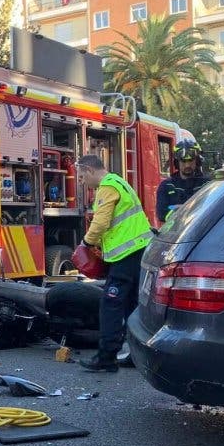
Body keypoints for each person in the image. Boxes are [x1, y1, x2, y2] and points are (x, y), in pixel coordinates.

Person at [77, 155, 154, 373]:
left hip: (126, 255)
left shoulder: (107, 187)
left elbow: (101, 222)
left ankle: (106, 358)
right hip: (139, 251)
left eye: (82, 177)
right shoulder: (120, 181)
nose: (83, 182)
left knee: (110, 305)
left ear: (89, 170)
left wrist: (85, 243)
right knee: (132, 305)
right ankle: (136, 355)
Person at [155, 138, 208, 223]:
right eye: (183, 161)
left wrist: (177, 208)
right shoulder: (166, 186)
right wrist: (191, 209)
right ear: (176, 162)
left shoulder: (207, 184)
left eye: (191, 160)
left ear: (197, 161)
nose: (187, 165)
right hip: (177, 235)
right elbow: (161, 214)